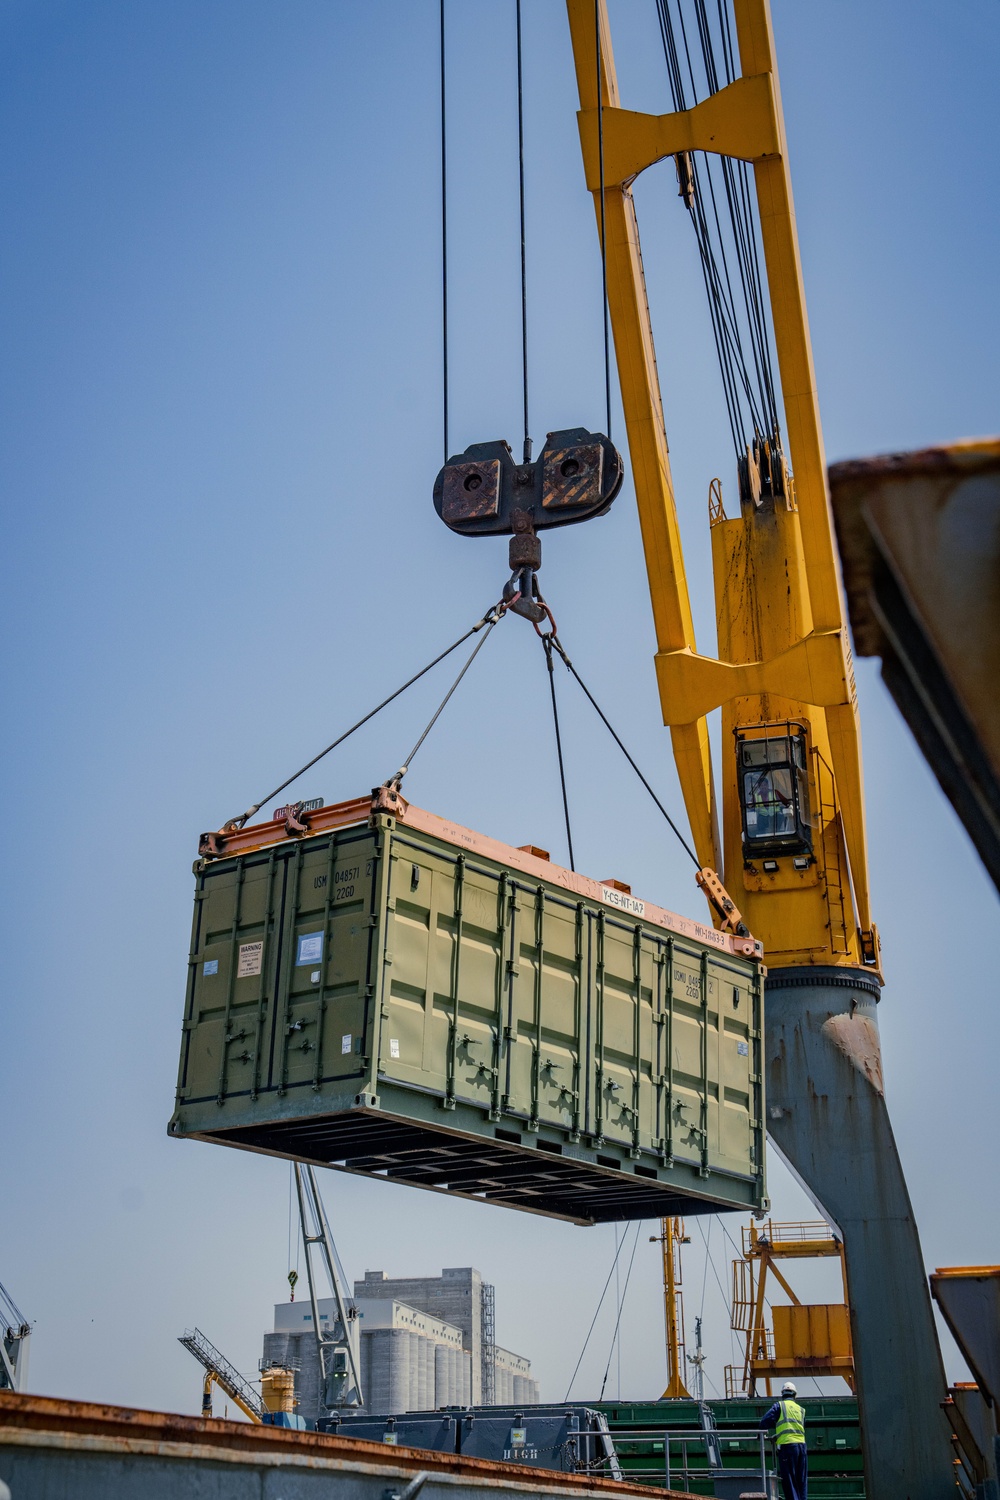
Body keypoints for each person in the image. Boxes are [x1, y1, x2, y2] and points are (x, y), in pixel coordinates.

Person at [759, 1381, 807, 1500]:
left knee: (789, 1480)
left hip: (788, 1446)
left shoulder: (779, 1406)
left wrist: (760, 1433)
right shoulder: (801, 1410)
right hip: (802, 1446)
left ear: (783, 1394)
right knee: (801, 1480)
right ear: (794, 1395)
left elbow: (765, 1421)